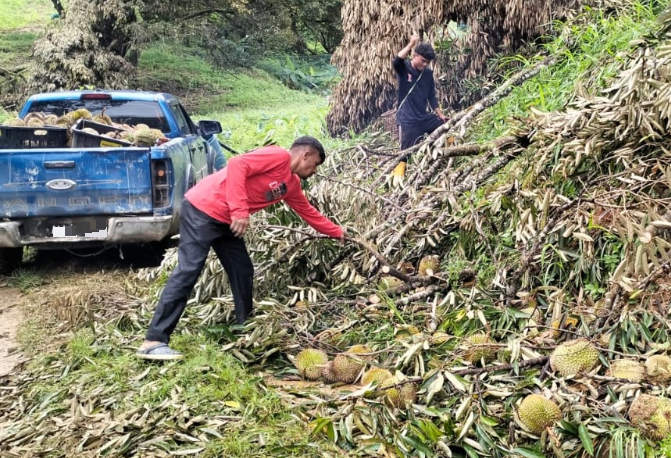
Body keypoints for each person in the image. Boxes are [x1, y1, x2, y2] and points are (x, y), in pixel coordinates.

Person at [137, 136, 345, 361]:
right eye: (315, 163)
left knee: (242, 270)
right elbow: (237, 164)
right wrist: (239, 211)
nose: (314, 170)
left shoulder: (291, 184)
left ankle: (245, 332)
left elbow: (308, 212)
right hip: (203, 209)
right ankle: (154, 341)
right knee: (189, 270)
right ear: (305, 154)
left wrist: (338, 233)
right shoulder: (278, 155)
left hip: (227, 221)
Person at [391, 33, 445, 178]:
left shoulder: (427, 74)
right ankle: (398, 180)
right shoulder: (404, 69)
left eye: (427, 62)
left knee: (445, 127)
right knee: (405, 154)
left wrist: (440, 114)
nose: (425, 64)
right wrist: (410, 43)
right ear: (414, 55)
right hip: (408, 120)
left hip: (423, 117)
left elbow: (431, 96)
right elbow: (396, 61)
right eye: (423, 60)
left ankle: (439, 160)